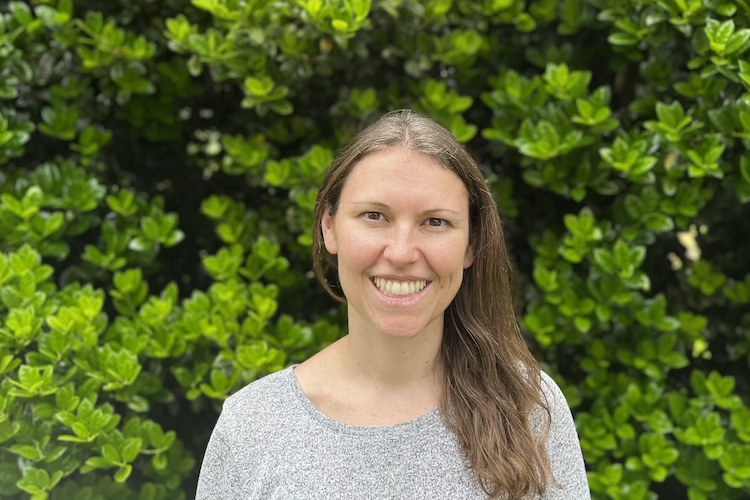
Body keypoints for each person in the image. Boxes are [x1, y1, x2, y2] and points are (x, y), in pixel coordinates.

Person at [195, 110, 591, 499]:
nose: (402, 252)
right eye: (374, 216)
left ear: (471, 244)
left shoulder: (527, 406)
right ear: (328, 227)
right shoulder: (253, 427)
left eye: (435, 222)